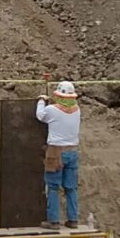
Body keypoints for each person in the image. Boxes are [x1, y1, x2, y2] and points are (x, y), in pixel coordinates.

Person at [36, 80, 81, 228]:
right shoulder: (77, 110)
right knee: (71, 188)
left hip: (55, 152)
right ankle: (73, 220)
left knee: (53, 187)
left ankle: (54, 221)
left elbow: (40, 116)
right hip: (73, 151)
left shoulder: (52, 110)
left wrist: (42, 100)